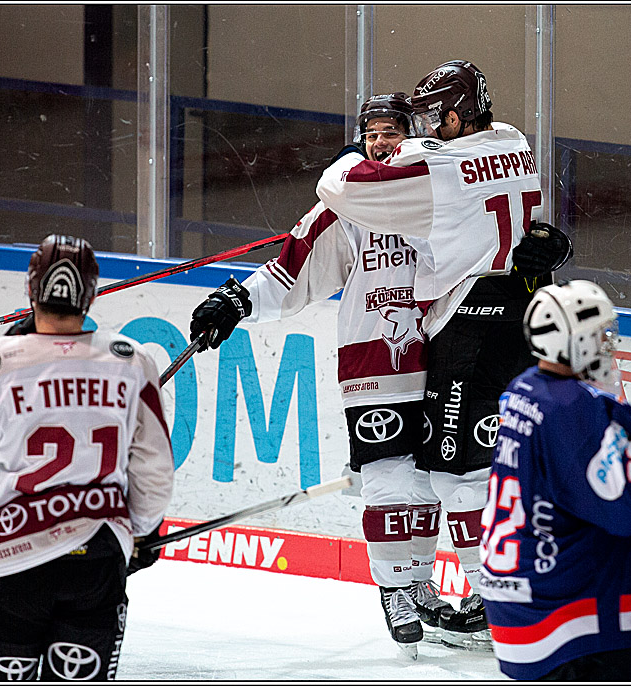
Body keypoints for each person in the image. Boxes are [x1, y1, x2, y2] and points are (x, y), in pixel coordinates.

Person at [315, 60, 573, 644]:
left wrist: (355, 154)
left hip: (470, 326)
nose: (426, 130)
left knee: (457, 474)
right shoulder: (514, 141)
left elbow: (340, 190)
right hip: (526, 311)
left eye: (435, 118)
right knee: (504, 464)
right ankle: (515, 588)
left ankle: (497, 601)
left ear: (457, 117)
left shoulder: (437, 165)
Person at [189, 94, 454, 655]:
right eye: (372, 134)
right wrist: (237, 301)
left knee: (426, 480)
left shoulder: (442, 188)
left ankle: (419, 582)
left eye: (392, 132)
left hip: (439, 353)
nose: (380, 142)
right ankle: (394, 589)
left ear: (414, 134)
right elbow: (292, 268)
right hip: (371, 357)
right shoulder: (347, 203)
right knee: (387, 478)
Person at [0, 234, 175, 680]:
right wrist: (140, 532)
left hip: (12, 553)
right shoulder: (132, 360)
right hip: (98, 557)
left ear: (32, 288)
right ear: (91, 293)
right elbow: (155, 467)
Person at [481, 280, 631, 680]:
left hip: (533, 605)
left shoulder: (529, 388)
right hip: (574, 627)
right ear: (574, 343)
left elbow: (592, 454)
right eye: (601, 335)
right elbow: (627, 501)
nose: (609, 345)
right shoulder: (568, 409)